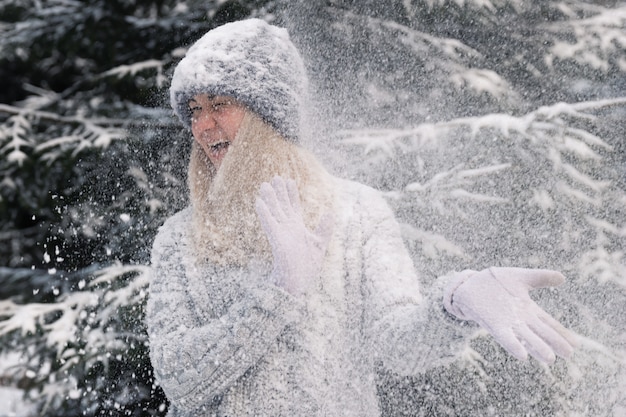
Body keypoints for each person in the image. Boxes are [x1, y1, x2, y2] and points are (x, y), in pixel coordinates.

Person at [146, 18, 577, 417]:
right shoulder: (179, 238)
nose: (203, 126)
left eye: (219, 104)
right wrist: (279, 293)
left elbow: (401, 347)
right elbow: (180, 380)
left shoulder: (355, 212)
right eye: (195, 110)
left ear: (268, 116)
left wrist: (456, 302)